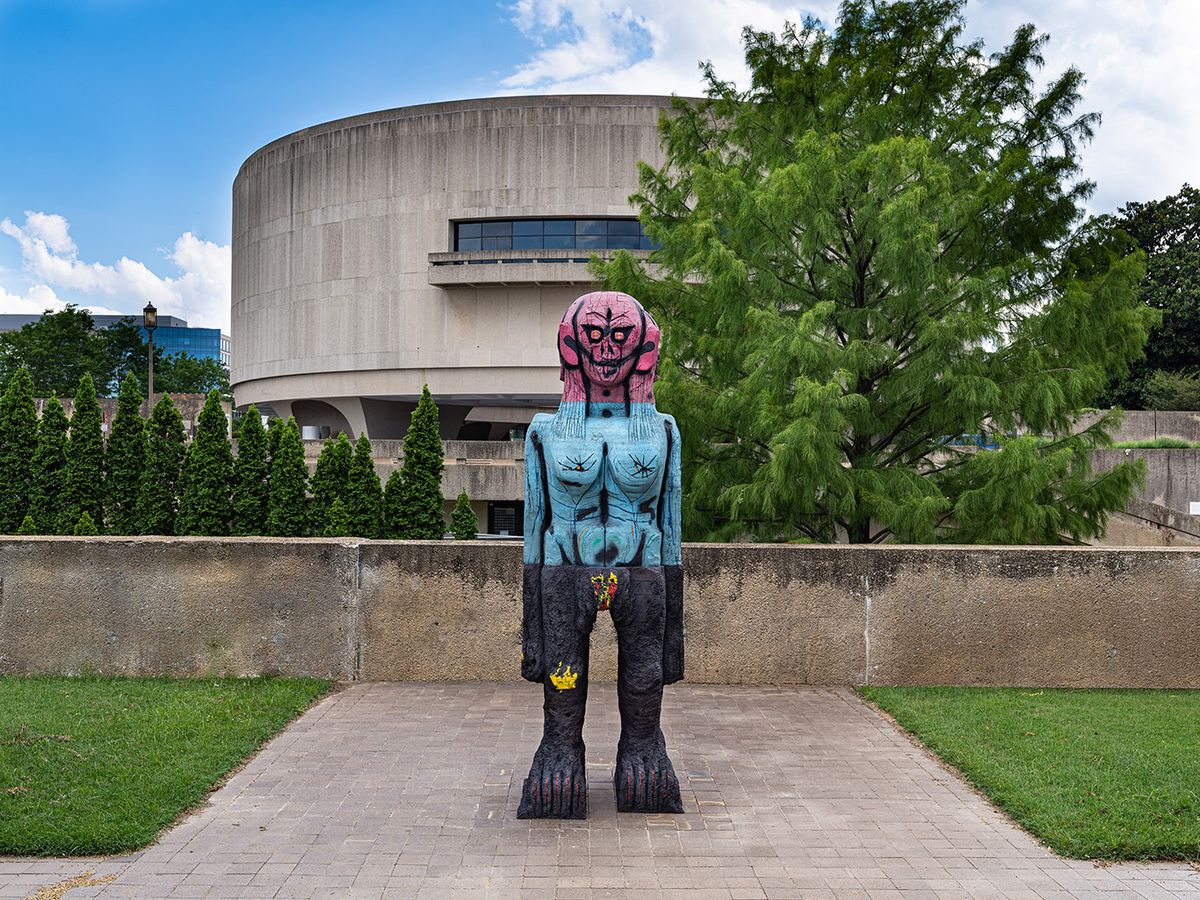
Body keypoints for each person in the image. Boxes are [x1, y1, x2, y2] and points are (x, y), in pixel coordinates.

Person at [518, 290, 684, 819]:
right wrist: (532, 633)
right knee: (563, 675)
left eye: (619, 335)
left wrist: (675, 635)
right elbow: (533, 526)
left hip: (644, 566)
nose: (607, 348)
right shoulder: (545, 430)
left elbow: (672, 527)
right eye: (594, 334)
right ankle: (560, 752)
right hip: (564, 566)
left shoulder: (662, 429)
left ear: (643, 345)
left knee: (643, 673)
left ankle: (643, 750)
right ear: (571, 342)